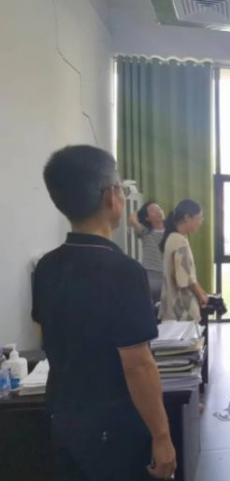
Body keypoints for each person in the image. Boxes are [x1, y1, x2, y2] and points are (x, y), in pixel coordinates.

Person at [32, 145, 176, 481]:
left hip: (63, 418)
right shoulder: (124, 271)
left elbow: (46, 336)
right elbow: (138, 364)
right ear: (112, 196)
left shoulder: (46, 267)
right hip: (112, 429)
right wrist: (162, 436)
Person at [159, 199, 208, 323]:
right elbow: (184, 279)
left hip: (171, 304)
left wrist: (202, 291)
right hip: (181, 308)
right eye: (199, 218)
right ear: (187, 217)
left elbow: (187, 275)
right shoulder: (179, 241)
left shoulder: (172, 237)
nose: (201, 222)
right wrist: (201, 296)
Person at [128, 201, 166, 303]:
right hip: (150, 275)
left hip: (167, 275)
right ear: (147, 218)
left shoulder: (171, 232)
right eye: (153, 210)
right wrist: (140, 212)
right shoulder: (145, 232)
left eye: (159, 208)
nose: (158, 211)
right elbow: (132, 218)